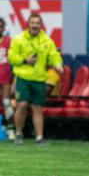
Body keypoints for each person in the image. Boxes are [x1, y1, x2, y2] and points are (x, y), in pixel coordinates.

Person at [8, 13, 63, 145]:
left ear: (41, 25)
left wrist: (58, 65)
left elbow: (54, 55)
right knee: (22, 105)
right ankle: (18, 134)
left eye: (37, 23)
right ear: (28, 24)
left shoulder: (47, 41)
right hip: (23, 78)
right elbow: (11, 57)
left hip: (39, 79)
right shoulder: (18, 39)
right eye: (32, 23)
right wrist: (25, 60)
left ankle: (39, 137)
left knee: (38, 108)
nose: (35, 25)